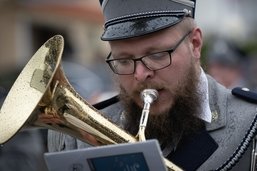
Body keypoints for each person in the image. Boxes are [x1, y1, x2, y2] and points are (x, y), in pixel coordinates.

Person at [48, 0, 257, 170]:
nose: (140, 74)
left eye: (157, 55)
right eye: (124, 60)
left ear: (195, 44)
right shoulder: (77, 136)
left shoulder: (251, 123)